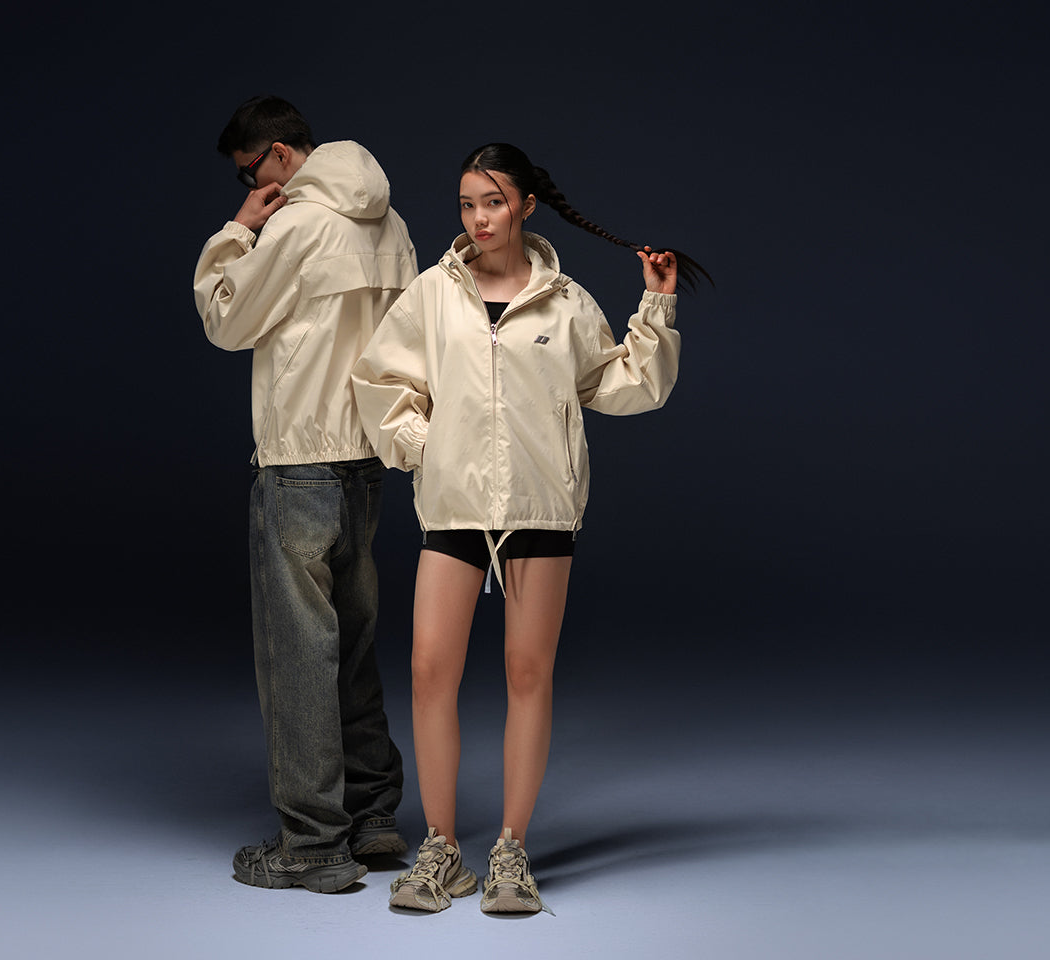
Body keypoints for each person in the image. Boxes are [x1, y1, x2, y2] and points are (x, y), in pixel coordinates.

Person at [352, 142, 708, 915]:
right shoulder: (432, 295)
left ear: (525, 207)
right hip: (454, 508)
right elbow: (381, 382)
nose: (478, 218)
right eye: (467, 203)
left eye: (493, 202)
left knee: (527, 674)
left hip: (541, 511)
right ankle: (441, 850)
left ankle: (511, 852)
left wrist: (655, 307)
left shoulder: (566, 303)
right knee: (428, 671)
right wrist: (425, 448)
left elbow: (624, 384)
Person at [193, 96, 419, 893]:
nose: (251, 185)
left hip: (299, 461)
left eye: (249, 171)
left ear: (281, 155)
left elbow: (225, 321)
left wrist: (237, 229)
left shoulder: (293, 226)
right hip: (367, 462)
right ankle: (374, 815)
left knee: (297, 656)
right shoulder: (392, 226)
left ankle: (314, 844)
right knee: (352, 644)